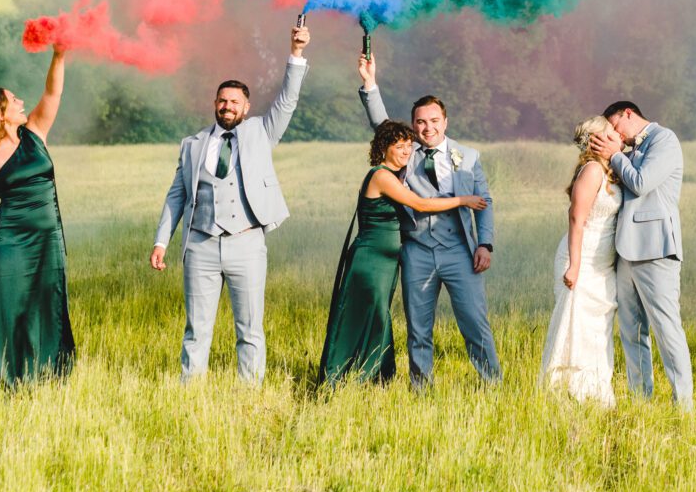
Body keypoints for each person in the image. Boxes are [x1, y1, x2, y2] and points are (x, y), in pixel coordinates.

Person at [149, 22, 309, 383]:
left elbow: (287, 100)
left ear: (247, 107)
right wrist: (162, 241)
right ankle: (190, 395)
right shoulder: (192, 144)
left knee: (249, 328)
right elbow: (177, 195)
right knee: (196, 328)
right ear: (214, 104)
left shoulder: (261, 132)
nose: (227, 106)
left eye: (235, 101)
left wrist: (296, 54)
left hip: (247, 243)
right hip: (200, 245)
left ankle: (249, 395)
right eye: (222, 100)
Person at [357, 51, 500, 387]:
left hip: (460, 252)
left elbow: (485, 202)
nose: (427, 128)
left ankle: (493, 386)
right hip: (417, 250)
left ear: (445, 121)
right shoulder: (405, 152)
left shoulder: (469, 156)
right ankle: (421, 390)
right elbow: (382, 124)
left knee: (475, 323)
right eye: (420, 122)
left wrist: (485, 243)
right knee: (418, 327)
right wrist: (370, 83)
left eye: (434, 121)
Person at [320, 119, 489, 385]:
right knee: (369, 316)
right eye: (399, 146)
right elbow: (420, 204)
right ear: (384, 147)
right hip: (371, 260)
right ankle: (347, 376)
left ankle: (371, 376)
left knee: (377, 315)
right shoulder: (382, 176)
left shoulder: (392, 174)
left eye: (409, 146)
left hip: (386, 262)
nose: (406, 152)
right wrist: (463, 200)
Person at [0, 45, 75, 387]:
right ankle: (10, 375)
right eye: (13, 99)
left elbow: (54, 91)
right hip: (11, 238)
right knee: (10, 304)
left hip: (48, 236)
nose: (22, 101)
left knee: (47, 300)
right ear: (1, 112)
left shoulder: (34, 131)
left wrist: (60, 55)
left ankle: (50, 373)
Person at [589, 100, 693, 409]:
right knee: (631, 332)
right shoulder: (627, 149)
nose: (615, 135)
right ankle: (640, 400)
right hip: (625, 250)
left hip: (656, 249)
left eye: (615, 126)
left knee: (666, 328)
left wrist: (615, 155)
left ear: (628, 114)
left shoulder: (665, 140)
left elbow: (642, 182)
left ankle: (683, 404)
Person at [540, 116, 621, 404]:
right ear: (598, 140)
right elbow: (577, 218)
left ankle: (594, 390)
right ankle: (567, 391)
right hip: (582, 258)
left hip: (601, 263)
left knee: (597, 327)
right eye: (611, 134)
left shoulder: (609, 169)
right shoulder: (592, 170)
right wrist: (574, 265)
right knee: (576, 323)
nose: (618, 138)